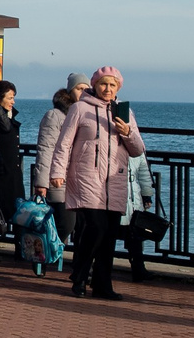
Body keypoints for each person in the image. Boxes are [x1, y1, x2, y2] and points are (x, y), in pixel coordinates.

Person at [40, 67, 145, 300]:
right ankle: (79, 276)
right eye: (103, 84)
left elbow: (138, 150)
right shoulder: (80, 109)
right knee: (95, 228)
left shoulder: (125, 112)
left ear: (119, 87)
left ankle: (102, 284)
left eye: (113, 85)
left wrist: (127, 132)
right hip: (87, 178)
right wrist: (57, 172)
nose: (108, 89)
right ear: (95, 85)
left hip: (115, 181)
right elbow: (64, 144)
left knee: (109, 235)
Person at [35, 83, 79, 250]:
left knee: (77, 225)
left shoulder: (80, 114)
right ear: (70, 91)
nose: (83, 92)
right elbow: (46, 149)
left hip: (77, 180)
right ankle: (43, 252)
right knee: (65, 224)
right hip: (57, 179)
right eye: (79, 88)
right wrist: (41, 182)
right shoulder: (55, 115)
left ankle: (52, 255)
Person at [0, 80, 25, 252]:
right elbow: (5, 129)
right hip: (1, 173)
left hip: (13, 173)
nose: (13, 101)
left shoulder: (9, 115)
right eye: (10, 97)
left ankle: (20, 248)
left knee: (18, 212)